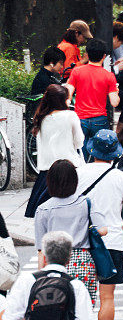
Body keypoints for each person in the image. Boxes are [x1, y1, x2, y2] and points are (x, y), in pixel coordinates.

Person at [76, 130, 123, 320]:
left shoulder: (78, 173)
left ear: (92, 151)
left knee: (81, 296)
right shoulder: (122, 178)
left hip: (82, 242)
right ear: (114, 154)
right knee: (107, 297)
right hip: (111, 242)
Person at [35, 159, 106, 307]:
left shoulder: (43, 209)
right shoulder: (86, 203)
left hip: (54, 263)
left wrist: (40, 276)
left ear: (50, 182)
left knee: (57, 310)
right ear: (75, 180)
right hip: (83, 261)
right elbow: (103, 230)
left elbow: (41, 249)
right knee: (83, 310)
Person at [25, 84, 84, 219]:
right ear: (61, 100)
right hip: (68, 168)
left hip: (46, 171)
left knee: (45, 212)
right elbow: (79, 141)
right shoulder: (70, 116)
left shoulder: (41, 117)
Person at [66, 39, 119, 158]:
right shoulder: (109, 76)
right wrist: (117, 91)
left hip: (81, 118)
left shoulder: (77, 71)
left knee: (80, 153)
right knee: (101, 153)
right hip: (100, 119)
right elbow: (114, 102)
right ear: (104, 56)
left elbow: (68, 94)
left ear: (87, 54)